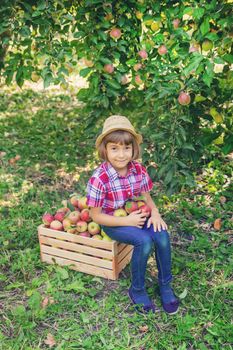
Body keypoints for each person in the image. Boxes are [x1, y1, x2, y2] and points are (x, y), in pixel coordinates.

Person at [86, 115, 179, 314]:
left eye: (126, 148)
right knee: (144, 241)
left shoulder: (137, 169)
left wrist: (155, 213)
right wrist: (125, 220)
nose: (121, 155)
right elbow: (96, 216)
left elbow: (147, 198)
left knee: (162, 235)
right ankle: (136, 289)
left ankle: (165, 284)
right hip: (112, 221)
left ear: (133, 149)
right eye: (114, 148)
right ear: (105, 150)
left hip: (135, 214)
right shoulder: (99, 179)